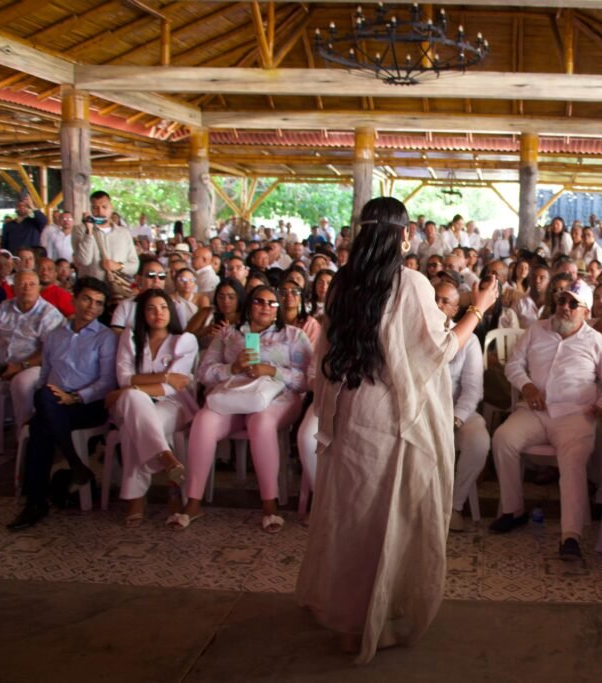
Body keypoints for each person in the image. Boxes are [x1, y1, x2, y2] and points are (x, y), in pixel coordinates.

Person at [296, 197, 497, 663]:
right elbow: (441, 350)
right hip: (387, 415)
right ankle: (367, 622)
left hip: (348, 409)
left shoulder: (344, 282)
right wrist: (478, 308)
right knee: (382, 521)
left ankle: (346, 613)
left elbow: (325, 354)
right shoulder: (409, 282)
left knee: (351, 516)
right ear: (403, 235)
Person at [490, 280, 602, 561]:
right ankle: (514, 510)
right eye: (561, 301)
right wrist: (527, 386)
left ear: (586, 311)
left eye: (573, 304)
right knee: (503, 438)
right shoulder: (536, 329)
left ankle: (570, 535)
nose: (564, 308)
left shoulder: (596, 341)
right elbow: (513, 365)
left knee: (572, 461)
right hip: (535, 411)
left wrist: (601, 404)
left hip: (576, 415)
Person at [176, 284, 311, 531]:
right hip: (234, 396)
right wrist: (232, 368)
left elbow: (307, 380)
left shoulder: (293, 336)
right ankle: (192, 502)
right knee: (204, 421)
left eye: (272, 303)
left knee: (260, 422)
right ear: (249, 304)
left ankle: (269, 506)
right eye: (260, 301)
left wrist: (272, 371)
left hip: (278, 398)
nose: (266, 307)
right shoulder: (228, 334)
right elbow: (204, 373)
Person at [6, 277, 116, 531]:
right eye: (87, 299)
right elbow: (45, 374)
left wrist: (75, 397)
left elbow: (107, 382)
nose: (91, 307)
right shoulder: (55, 335)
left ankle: (41, 496)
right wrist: (51, 402)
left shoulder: (105, 337)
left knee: (42, 413)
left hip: (87, 405)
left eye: (99, 304)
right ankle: (50, 488)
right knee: (42, 412)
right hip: (54, 403)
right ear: (74, 298)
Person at [109, 289, 198, 527]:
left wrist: (138, 385)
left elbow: (174, 387)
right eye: (151, 308)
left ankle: (135, 499)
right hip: (137, 403)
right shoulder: (131, 337)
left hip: (173, 405)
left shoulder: (185, 340)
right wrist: (166, 377)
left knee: (132, 424)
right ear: (142, 314)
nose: (158, 313)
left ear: (171, 311)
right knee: (134, 404)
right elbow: (123, 378)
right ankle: (165, 457)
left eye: (163, 307)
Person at [433, 281, 490, 532]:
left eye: (446, 301)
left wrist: (455, 419)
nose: (438, 304)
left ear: (456, 309)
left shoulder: (470, 340)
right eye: (435, 298)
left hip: (458, 410)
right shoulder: (416, 331)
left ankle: (455, 505)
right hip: (423, 412)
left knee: (479, 442)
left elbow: (472, 389)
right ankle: (423, 507)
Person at [0, 270, 66, 430]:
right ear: (14, 287)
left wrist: (21, 366)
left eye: (32, 284)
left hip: (34, 366)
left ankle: (23, 437)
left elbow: (48, 351)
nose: (27, 288)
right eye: (22, 284)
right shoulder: (5, 307)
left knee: (21, 382)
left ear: (39, 288)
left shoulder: (49, 314)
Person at [72, 190, 139, 282]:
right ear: (90, 209)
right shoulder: (80, 230)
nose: (100, 211)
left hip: (117, 289)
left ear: (111, 208)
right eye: (95, 208)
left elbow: (134, 266)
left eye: (104, 207)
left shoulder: (123, 233)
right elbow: (84, 260)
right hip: (91, 289)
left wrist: (119, 266)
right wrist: (89, 231)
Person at [185, 278, 244, 351]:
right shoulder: (206, 313)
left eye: (231, 297)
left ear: (239, 298)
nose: (225, 301)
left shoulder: (245, 318)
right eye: (221, 297)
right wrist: (204, 331)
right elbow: (183, 340)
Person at [110, 258, 168, 331]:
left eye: (161, 276)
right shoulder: (126, 306)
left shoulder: (171, 305)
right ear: (138, 279)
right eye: (151, 275)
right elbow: (115, 333)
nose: (157, 280)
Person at [514, 263, 550, 329]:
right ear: (529, 280)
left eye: (542, 278)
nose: (537, 281)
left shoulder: (553, 304)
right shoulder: (519, 303)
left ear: (549, 282)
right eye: (534, 277)